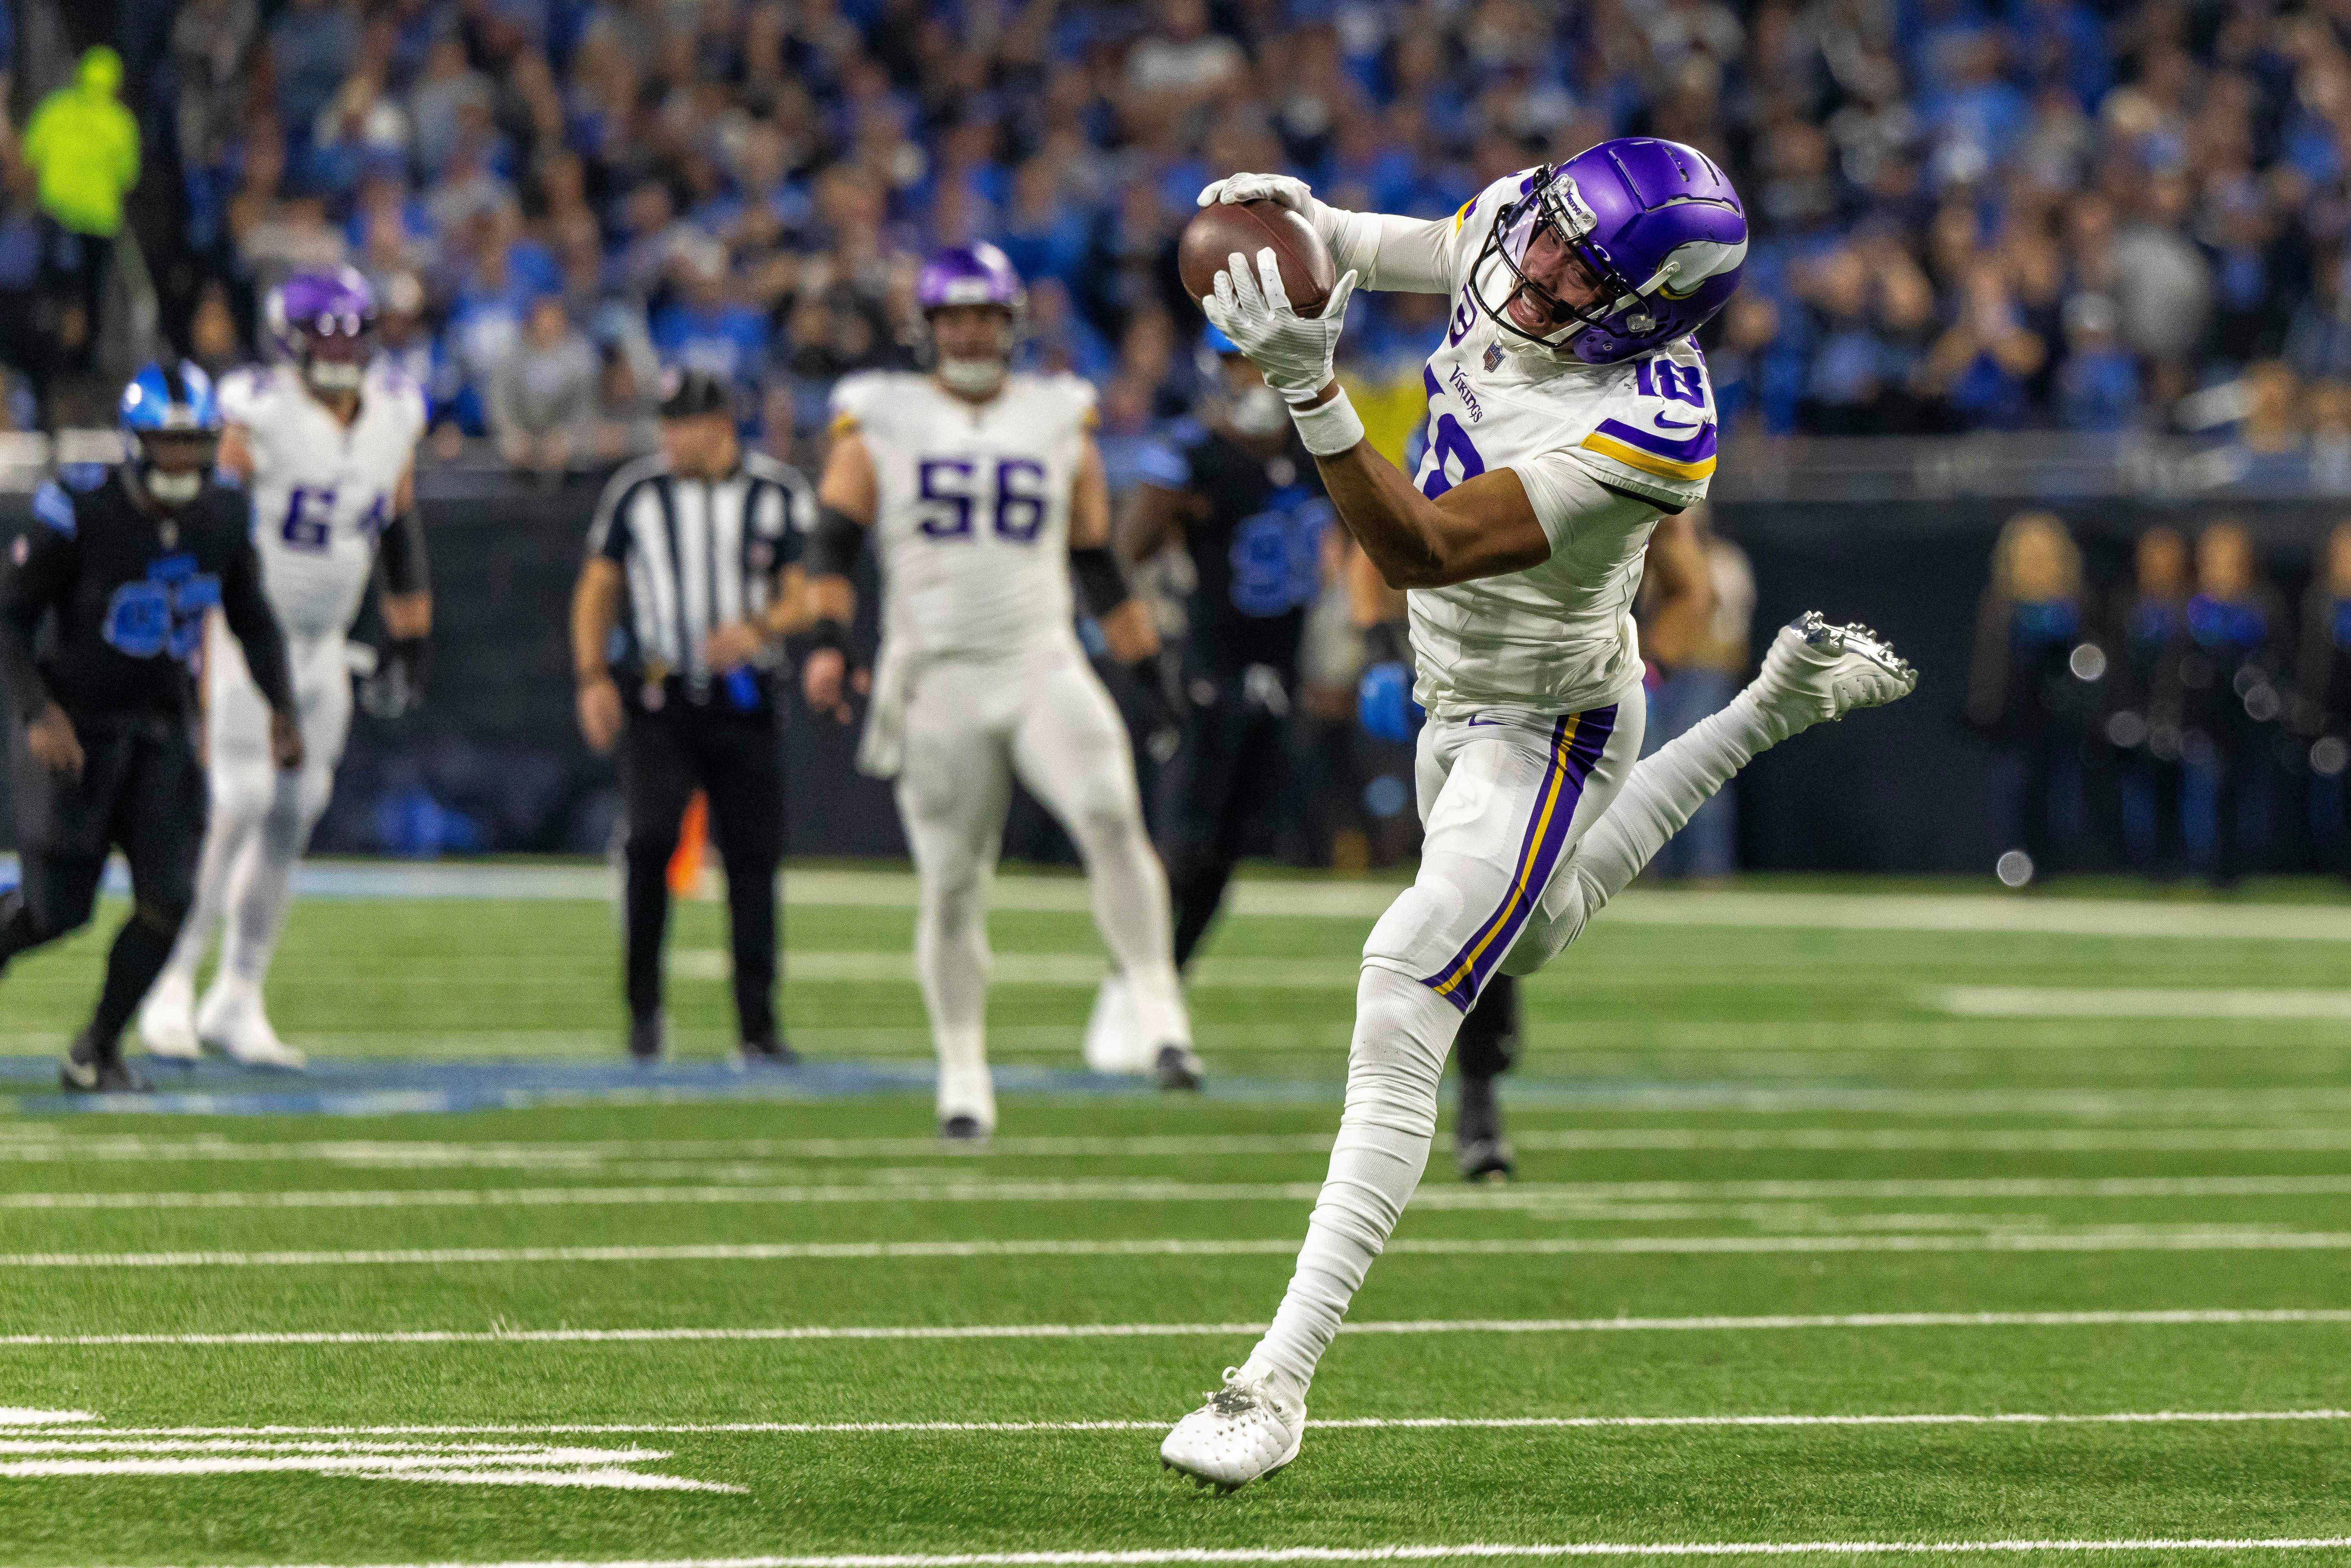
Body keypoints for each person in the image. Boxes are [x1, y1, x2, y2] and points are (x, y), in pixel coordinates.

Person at [1158, 141, 1916, 1490]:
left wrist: (1309, 386)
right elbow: (1419, 247)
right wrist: (1307, 223)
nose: (1539, 262)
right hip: (1450, 697)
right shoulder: (1526, 218)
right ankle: (1764, 711)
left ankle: (1270, 1382)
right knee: (1532, 933)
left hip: (1544, 724)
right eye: (1551, 230)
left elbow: (1420, 547)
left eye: (1580, 264)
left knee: (1408, 980)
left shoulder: (1650, 428)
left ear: (1648, 308)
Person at [800, 244, 1199, 1139]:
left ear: (1011, 324)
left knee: (1107, 811)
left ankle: (1161, 1014)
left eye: (986, 315)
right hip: (935, 673)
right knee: (950, 885)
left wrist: (1147, 668)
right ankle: (964, 1075)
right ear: (929, 328)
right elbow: (831, 539)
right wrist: (827, 640)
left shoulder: (1057, 414)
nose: (973, 332)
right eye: (957, 317)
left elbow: (1097, 559)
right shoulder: (881, 416)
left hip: (1040, 660)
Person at [138, 269, 430, 1069]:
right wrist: (190, 629)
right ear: (290, 340)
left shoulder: (398, 409)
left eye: (351, 334)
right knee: (237, 799)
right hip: (247, 634)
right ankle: (166, 982)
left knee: (295, 810)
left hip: (326, 643)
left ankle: (238, 993)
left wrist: (409, 633)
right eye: (325, 335)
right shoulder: (256, 411)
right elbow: (205, 518)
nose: (340, 351)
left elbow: (398, 519)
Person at [0, 364, 301, 1092]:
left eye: (192, 444)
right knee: (53, 910)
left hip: (160, 725)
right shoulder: (83, 507)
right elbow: (9, 614)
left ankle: (96, 1047)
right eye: (166, 444)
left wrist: (282, 706)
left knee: (170, 898)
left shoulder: (223, 513)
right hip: (76, 727)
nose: (180, 460)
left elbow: (253, 618)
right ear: (136, 443)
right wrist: (39, 710)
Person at [1089, 323, 1330, 1075]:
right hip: (1208, 670)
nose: (1253, 375)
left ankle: (1160, 987)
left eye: (1262, 359)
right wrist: (1154, 626)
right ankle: (1132, 991)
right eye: (1237, 361)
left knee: (1225, 856)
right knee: (1182, 845)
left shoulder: (1316, 447)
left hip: (1279, 675)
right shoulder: (1188, 453)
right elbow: (1122, 549)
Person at [573, 369, 811, 1063]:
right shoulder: (638, 492)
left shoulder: (776, 493)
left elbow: (806, 594)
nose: (670, 438)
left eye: (683, 424)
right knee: (650, 841)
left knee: (753, 858)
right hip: (660, 697)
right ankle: (643, 1011)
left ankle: (757, 1026)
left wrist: (760, 627)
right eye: (666, 423)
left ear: (719, 425)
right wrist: (592, 675)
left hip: (746, 700)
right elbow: (598, 585)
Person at [1964, 512, 2097, 884]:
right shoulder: (2001, 602)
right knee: (2013, 789)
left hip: (2062, 717)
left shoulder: (2075, 602)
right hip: (2016, 716)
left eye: (2044, 550)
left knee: (2060, 793)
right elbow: (1988, 660)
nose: (2036, 558)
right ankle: (2015, 863)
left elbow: (2089, 658)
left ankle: (2057, 863)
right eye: (2028, 550)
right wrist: (1985, 704)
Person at [1643, 506, 1753, 880]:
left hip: (1708, 673)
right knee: (1651, 766)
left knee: (1702, 769)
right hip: (1664, 669)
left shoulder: (1726, 560)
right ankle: (1647, 865)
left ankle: (1707, 868)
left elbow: (1726, 620)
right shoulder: (1660, 553)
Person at [21, 47, 139, 376]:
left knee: (51, 293)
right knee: (91, 298)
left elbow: (29, 161)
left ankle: (45, 360)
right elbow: (128, 180)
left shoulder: (54, 109)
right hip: (98, 226)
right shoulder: (122, 123)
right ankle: (83, 366)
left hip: (54, 218)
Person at [2107, 526, 2192, 878]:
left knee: (2185, 794)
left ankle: (2186, 863)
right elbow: (2116, 668)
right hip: (2136, 721)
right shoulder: (2126, 606)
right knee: (2138, 796)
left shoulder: (2194, 608)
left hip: (2185, 723)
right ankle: (2142, 866)